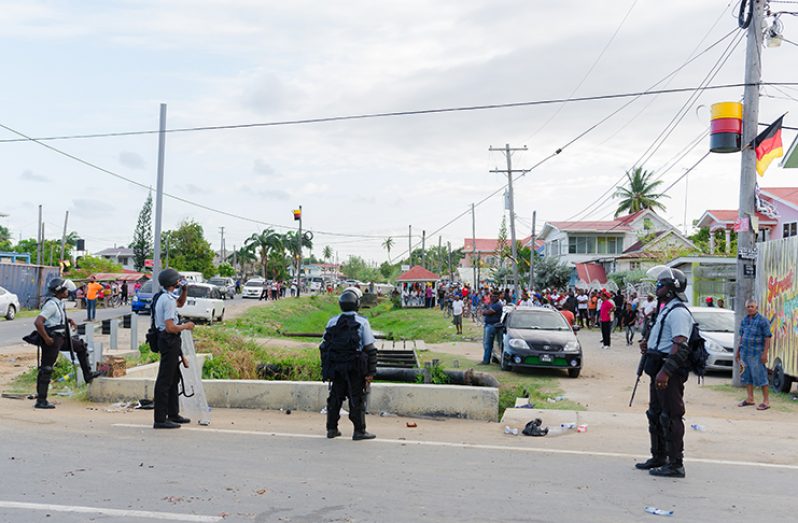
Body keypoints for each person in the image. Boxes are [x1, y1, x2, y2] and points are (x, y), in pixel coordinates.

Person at [636, 268, 692, 478]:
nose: (657, 287)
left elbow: (680, 345)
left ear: (672, 289)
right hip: (656, 364)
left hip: (668, 370)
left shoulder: (678, 312)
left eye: (662, 284)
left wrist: (665, 372)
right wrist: (648, 345)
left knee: (671, 416)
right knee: (656, 414)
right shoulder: (665, 309)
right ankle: (659, 456)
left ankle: (675, 463)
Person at [32, 278, 102, 409]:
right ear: (59, 291)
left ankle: (87, 375)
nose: (68, 292)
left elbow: (56, 318)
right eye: (65, 290)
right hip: (52, 339)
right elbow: (38, 322)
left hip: (61, 337)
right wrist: (46, 338)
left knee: (81, 347)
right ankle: (41, 400)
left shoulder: (59, 303)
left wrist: (68, 320)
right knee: (46, 368)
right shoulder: (51, 304)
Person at [320, 288, 378, 440]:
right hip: (355, 367)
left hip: (336, 367)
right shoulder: (362, 322)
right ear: (357, 304)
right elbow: (370, 348)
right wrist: (371, 372)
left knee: (335, 397)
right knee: (356, 398)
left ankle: (331, 429)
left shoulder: (332, 322)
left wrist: (326, 369)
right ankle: (359, 430)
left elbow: (324, 346)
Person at [152, 269, 195, 429]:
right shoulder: (168, 300)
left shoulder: (164, 297)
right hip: (168, 339)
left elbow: (181, 303)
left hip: (169, 341)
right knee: (165, 380)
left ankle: (173, 413)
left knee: (173, 378)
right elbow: (170, 327)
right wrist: (186, 326)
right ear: (173, 283)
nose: (180, 282)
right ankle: (160, 419)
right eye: (178, 281)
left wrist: (185, 290)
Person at [736, 299, 772, 410]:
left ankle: (766, 401)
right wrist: (738, 351)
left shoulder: (763, 320)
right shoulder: (745, 320)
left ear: (756, 307)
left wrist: (765, 354)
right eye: (748, 307)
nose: (750, 308)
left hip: (757, 354)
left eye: (752, 306)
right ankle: (750, 399)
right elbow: (741, 336)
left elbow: (767, 337)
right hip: (744, 353)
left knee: (761, 377)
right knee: (746, 376)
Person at [481, 293, 503, 364]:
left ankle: (486, 360)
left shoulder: (497, 305)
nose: (493, 298)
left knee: (488, 343)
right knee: (485, 343)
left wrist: (484, 312)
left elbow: (489, 312)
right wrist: (485, 311)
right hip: (488, 324)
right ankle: (486, 359)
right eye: (492, 296)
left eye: (495, 296)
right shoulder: (492, 304)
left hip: (492, 325)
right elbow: (486, 310)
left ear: (498, 297)